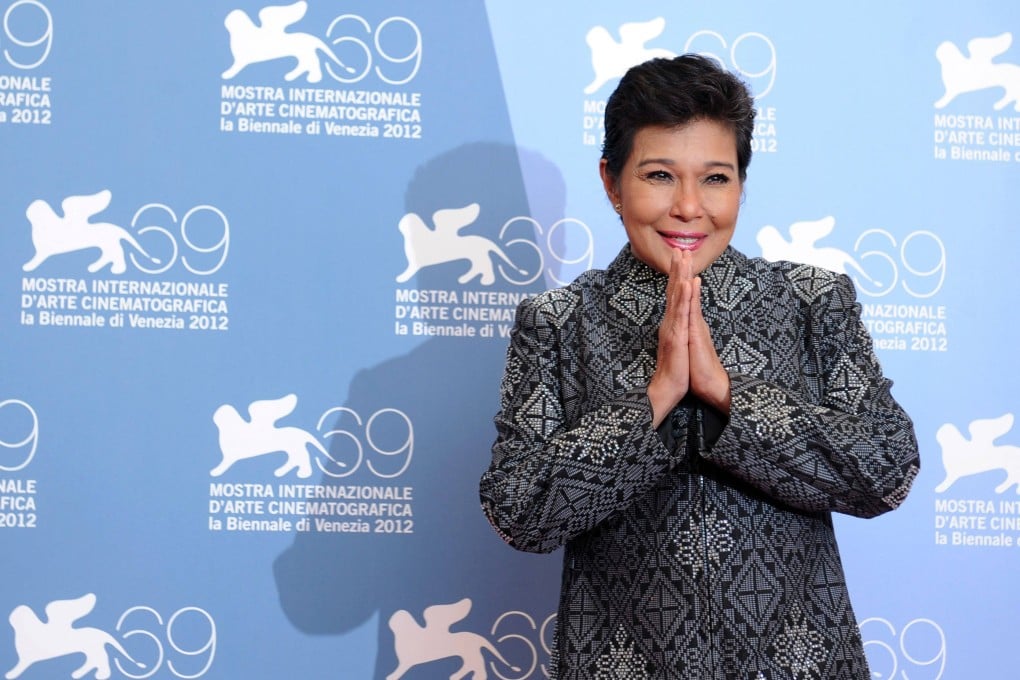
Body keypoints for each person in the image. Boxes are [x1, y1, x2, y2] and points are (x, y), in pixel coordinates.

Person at [478, 55, 920, 679]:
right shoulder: (559, 321)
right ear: (611, 182)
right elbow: (517, 509)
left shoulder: (811, 302)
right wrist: (652, 403)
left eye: (715, 178)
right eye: (659, 175)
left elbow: (888, 469)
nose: (689, 207)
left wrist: (728, 396)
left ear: (741, 182)